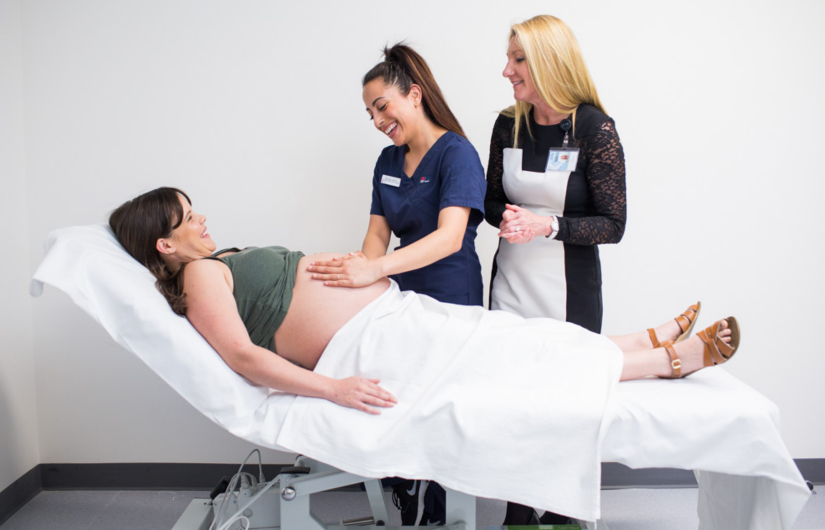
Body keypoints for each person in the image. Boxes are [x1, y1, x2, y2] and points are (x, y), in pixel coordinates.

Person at [109, 187, 740, 522]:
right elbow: (244, 358)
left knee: (520, 340)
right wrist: (334, 390)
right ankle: (665, 360)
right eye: (188, 218)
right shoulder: (196, 278)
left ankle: (642, 341)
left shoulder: (217, 263)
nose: (203, 220)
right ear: (164, 245)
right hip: (373, 344)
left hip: (393, 318)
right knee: (516, 358)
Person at [304, 43, 487, 524]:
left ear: (415, 95)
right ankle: (405, 490)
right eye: (369, 113)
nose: (377, 119)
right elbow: (375, 241)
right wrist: (348, 284)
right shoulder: (387, 162)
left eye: (381, 105)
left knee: (444, 406)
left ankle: (443, 513)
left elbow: (450, 238)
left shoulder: (457, 153)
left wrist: (374, 269)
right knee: (400, 397)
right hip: (400, 297)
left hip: (452, 293)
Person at [484, 15, 628, 525]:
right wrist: (510, 220)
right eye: (509, 58)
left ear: (548, 62)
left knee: (565, 408)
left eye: (518, 60)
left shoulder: (594, 128)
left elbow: (613, 224)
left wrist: (547, 226)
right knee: (514, 403)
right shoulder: (508, 123)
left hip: (570, 293)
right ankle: (517, 513)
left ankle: (565, 513)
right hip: (511, 287)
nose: (507, 70)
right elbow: (490, 202)